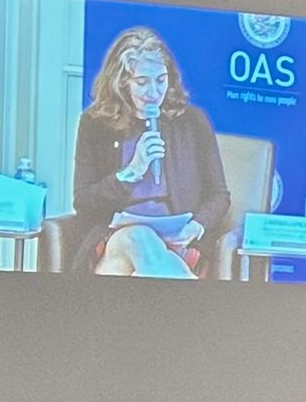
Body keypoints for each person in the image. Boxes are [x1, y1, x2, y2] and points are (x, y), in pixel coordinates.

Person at [67, 27, 230, 276]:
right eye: (142, 82)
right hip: (116, 239)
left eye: (161, 80)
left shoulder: (193, 121)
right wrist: (131, 172)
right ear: (121, 82)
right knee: (139, 238)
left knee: (132, 267)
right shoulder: (94, 124)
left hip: (180, 241)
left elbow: (219, 195)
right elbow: (84, 202)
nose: (154, 93)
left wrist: (196, 227)